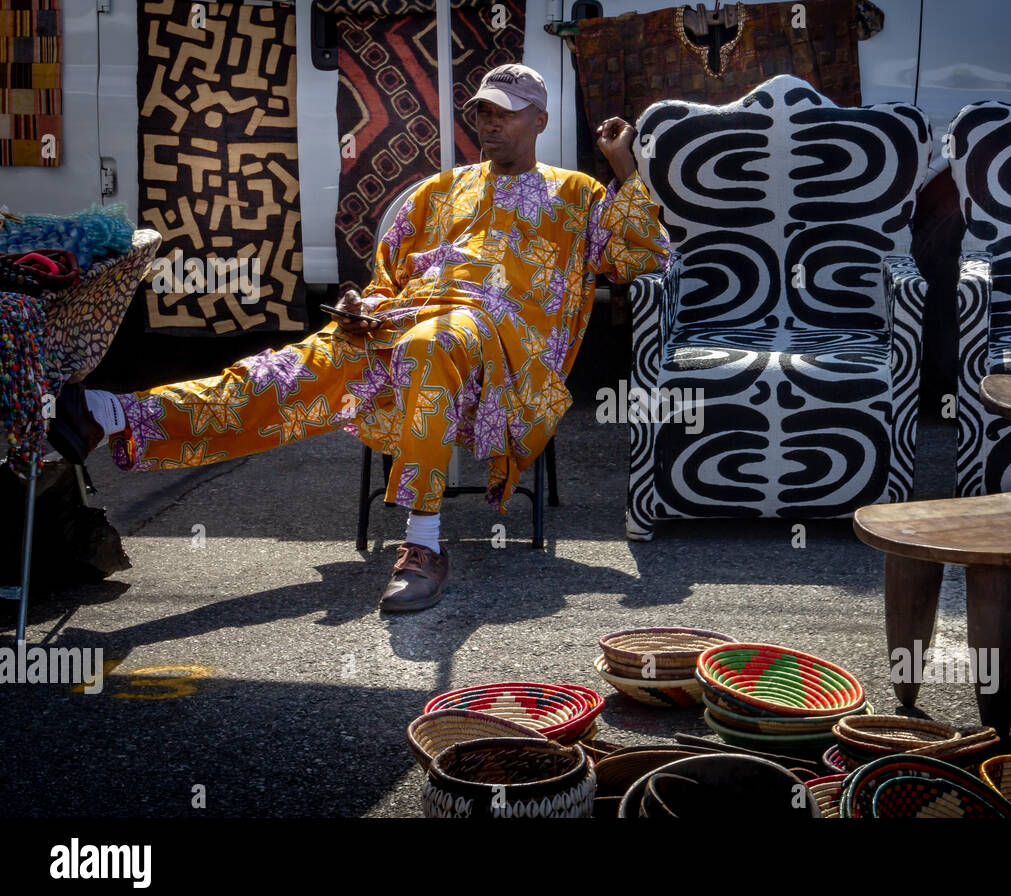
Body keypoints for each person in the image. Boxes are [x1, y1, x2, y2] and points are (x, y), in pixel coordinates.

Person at [49, 64, 670, 612]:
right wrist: (360, 304)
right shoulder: (437, 192)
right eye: (483, 111)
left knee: (433, 345)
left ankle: (423, 547)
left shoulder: (577, 194)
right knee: (285, 371)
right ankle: (109, 412)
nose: (491, 124)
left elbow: (643, 257)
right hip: (403, 324)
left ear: (538, 120)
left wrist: (623, 166)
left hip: (503, 347)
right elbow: (388, 280)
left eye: (506, 114)